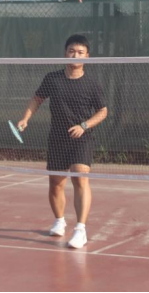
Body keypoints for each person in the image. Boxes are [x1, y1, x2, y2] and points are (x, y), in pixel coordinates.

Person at [16, 34, 107, 249]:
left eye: (80, 52)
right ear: (65, 54)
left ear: (87, 56)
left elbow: (103, 111)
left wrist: (84, 125)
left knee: (80, 177)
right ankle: (59, 221)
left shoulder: (92, 84)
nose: (75, 55)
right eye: (71, 51)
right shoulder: (52, 79)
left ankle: (80, 230)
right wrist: (25, 118)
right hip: (57, 138)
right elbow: (37, 99)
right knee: (56, 184)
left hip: (82, 138)